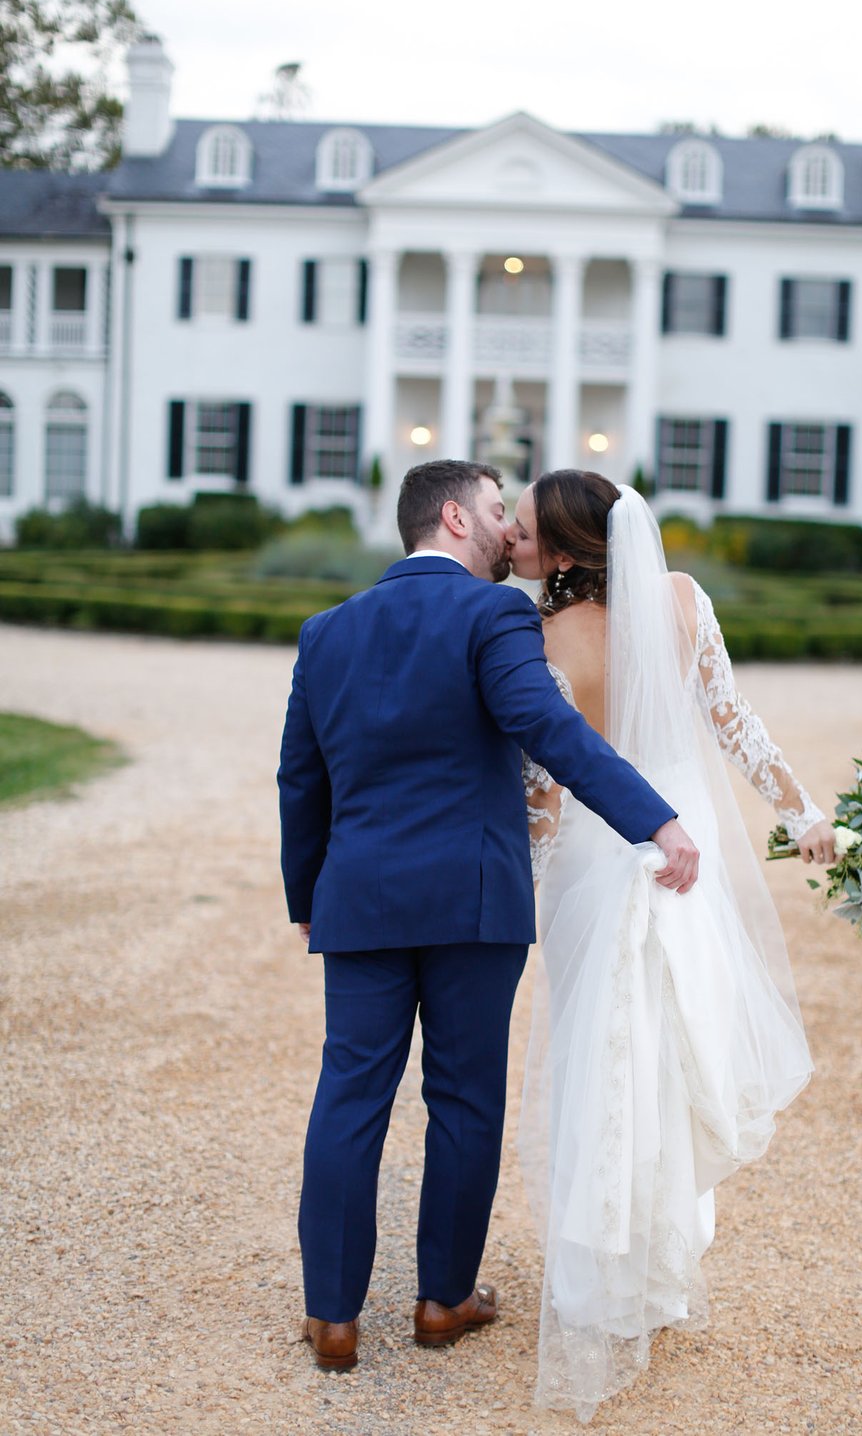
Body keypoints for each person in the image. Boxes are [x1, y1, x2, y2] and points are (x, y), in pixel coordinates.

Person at [277, 459, 699, 1373]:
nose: (513, 531)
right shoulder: (497, 614)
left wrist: (307, 899)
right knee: (464, 1100)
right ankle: (442, 1301)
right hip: (475, 901)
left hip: (360, 901)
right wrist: (656, 820)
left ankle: (334, 1318)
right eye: (500, 511)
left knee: (350, 1095)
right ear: (454, 517)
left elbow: (299, 781)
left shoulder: (326, 632)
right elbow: (550, 731)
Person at [507, 470, 834, 1422]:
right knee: (668, 1051)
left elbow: (542, 792)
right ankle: (657, 1268)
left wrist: (514, 899)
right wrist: (805, 811)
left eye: (525, 531)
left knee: (596, 1056)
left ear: (564, 552)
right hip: (678, 849)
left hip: (591, 863)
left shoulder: (533, 637)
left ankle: (601, 1279)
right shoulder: (685, 603)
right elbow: (737, 728)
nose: (513, 543)